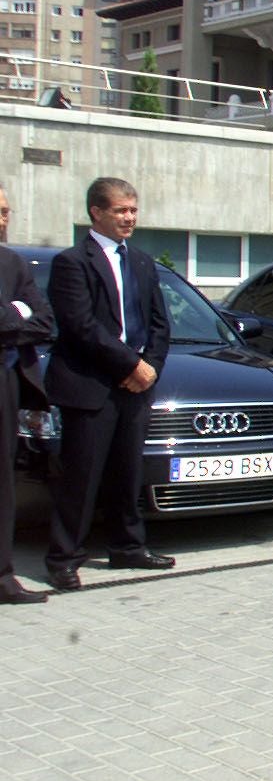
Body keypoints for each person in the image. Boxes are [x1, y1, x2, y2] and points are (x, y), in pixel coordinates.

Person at [43, 178, 175, 591]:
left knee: (127, 472)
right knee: (81, 477)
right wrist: (130, 365)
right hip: (90, 384)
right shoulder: (72, 263)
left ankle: (127, 547)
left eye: (133, 210)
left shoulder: (140, 261)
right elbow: (81, 327)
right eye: (121, 211)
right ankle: (63, 558)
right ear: (96, 213)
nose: (130, 218)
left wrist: (149, 367)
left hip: (135, 388)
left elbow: (158, 323)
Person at [0, 188, 54, 605]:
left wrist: (14, 314)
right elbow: (20, 317)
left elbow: (45, 321)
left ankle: (3, 577)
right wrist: (15, 312)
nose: (4, 218)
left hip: (5, 381)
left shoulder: (12, 262)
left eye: (6, 210)